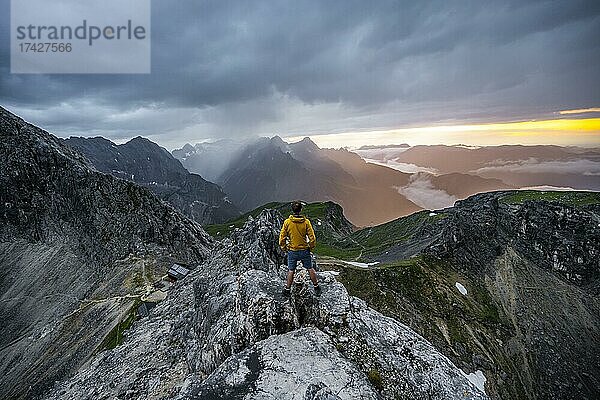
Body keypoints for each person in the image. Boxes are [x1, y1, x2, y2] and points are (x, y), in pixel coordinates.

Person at [279, 201, 321, 297]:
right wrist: (310, 247)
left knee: (291, 270)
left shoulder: (287, 222)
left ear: (292, 210)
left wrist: (284, 248)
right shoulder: (306, 222)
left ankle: (287, 289)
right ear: (301, 210)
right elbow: (312, 238)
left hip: (292, 251)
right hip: (304, 250)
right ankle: (316, 286)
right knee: (310, 268)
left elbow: (282, 238)